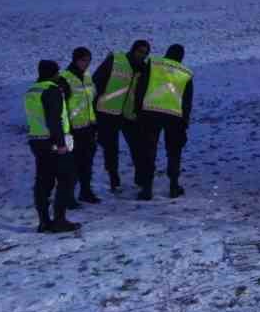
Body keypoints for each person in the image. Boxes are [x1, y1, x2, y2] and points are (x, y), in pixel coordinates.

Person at [25, 59, 80, 234]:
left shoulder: (32, 90)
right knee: (66, 179)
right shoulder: (52, 90)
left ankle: (43, 222)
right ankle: (60, 220)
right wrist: (61, 144)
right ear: (54, 73)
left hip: (36, 140)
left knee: (43, 181)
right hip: (53, 142)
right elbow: (54, 119)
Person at [137, 43, 194, 200]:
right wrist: (185, 121)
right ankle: (174, 186)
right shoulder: (186, 73)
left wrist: (139, 110)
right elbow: (187, 101)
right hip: (175, 116)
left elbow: (141, 87)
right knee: (174, 153)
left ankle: (147, 189)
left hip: (151, 113)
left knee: (149, 152)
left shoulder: (154, 64)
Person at [92, 40, 150, 193]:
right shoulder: (116, 60)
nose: (142, 55)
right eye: (140, 51)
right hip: (107, 112)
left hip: (129, 114)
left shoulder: (144, 69)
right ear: (133, 50)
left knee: (138, 147)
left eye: (145, 53)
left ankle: (140, 178)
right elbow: (97, 80)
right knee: (111, 149)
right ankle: (114, 179)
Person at [58, 47, 101, 205]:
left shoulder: (88, 76)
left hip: (88, 127)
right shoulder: (64, 78)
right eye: (83, 60)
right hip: (73, 129)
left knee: (87, 162)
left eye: (89, 60)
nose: (86, 64)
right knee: (72, 165)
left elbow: (92, 99)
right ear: (75, 60)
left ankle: (85, 191)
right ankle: (68, 196)